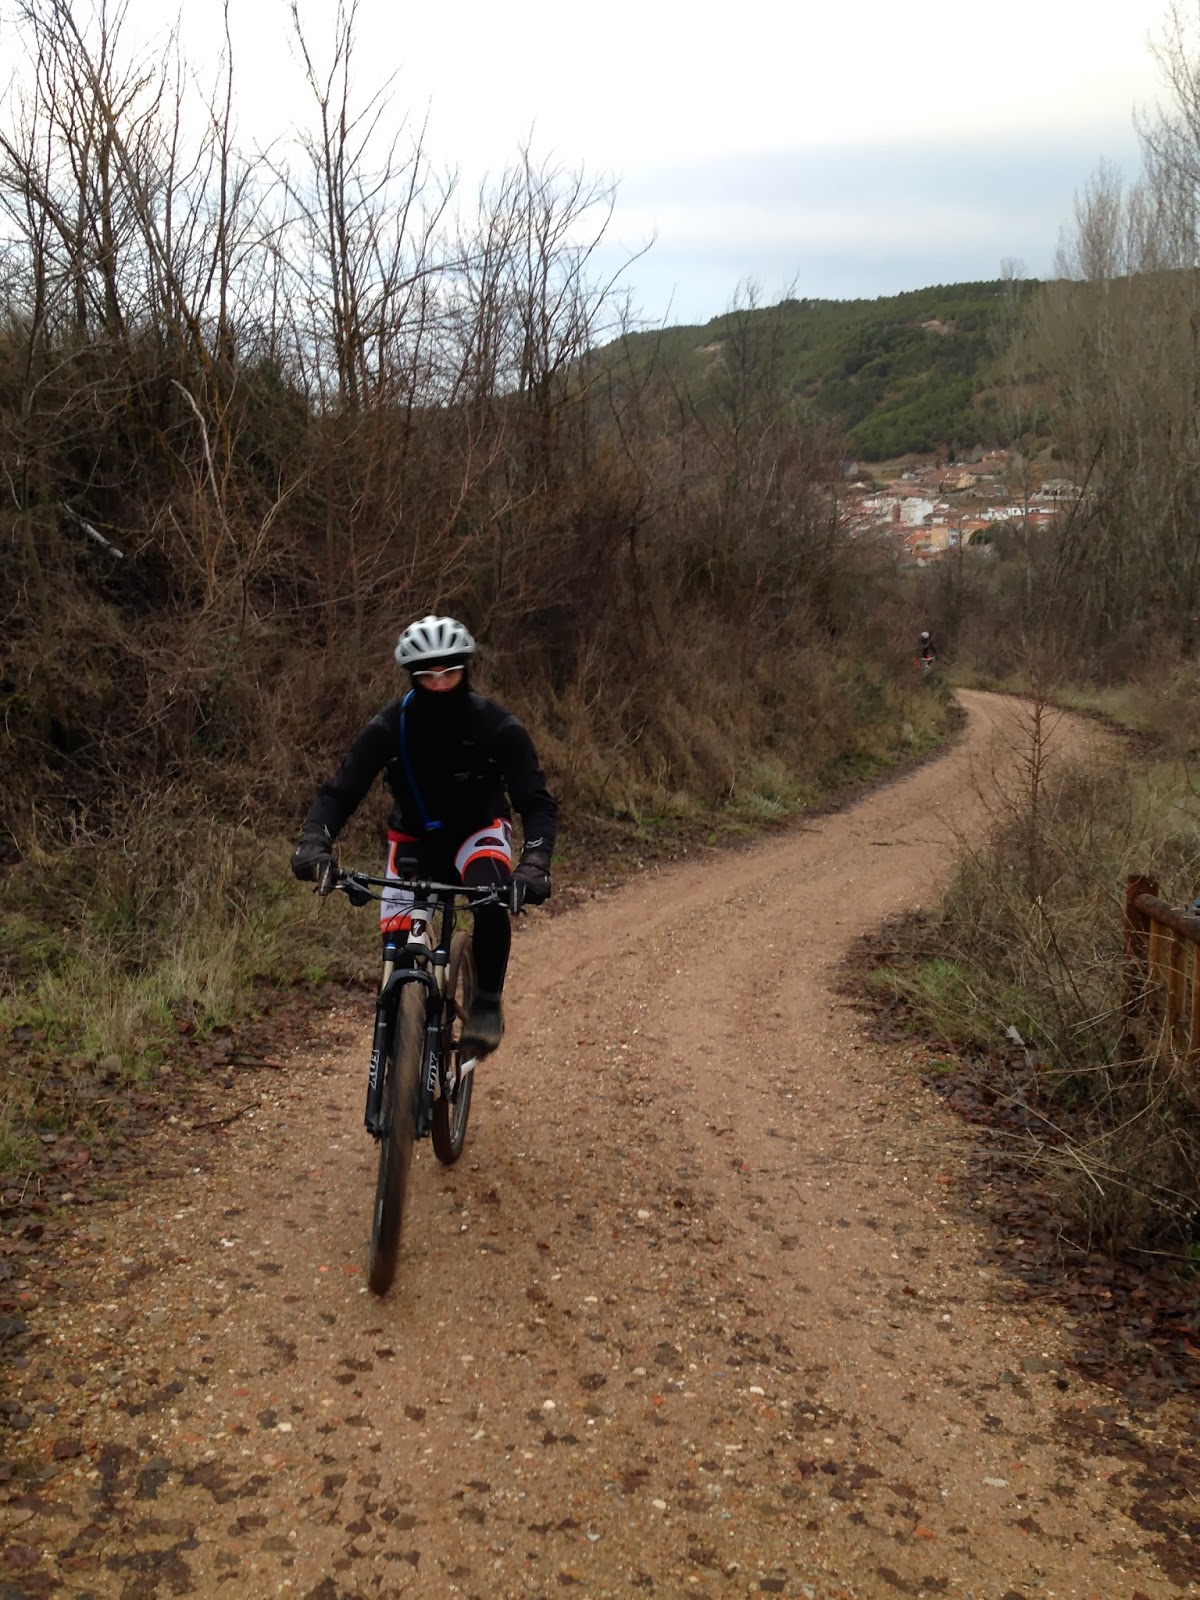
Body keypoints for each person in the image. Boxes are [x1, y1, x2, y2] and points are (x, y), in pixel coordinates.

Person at [290, 615, 557, 1056]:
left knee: (489, 901)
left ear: (466, 670)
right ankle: (400, 1049)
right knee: (396, 954)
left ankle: (487, 1003)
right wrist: (314, 842)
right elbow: (341, 792)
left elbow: (536, 801)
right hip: (414, 838)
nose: (439, 685)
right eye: (427, 676)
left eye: (449, 673)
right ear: (411, 677)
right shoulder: (389, 726)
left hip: (478, 830)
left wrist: (534, 863)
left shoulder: (496, 725)